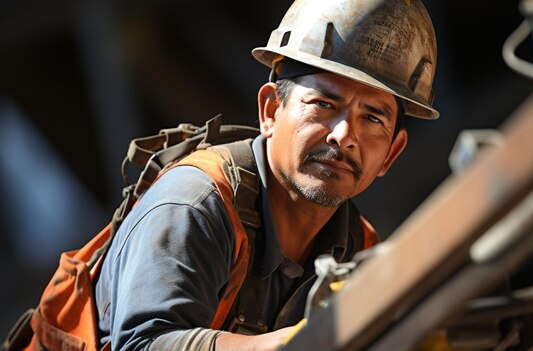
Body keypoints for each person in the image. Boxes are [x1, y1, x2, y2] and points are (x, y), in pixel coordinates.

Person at [93, 0, 439, 350]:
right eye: (324, 104)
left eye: (373, 119)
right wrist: (296, 343)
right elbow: (143, 344)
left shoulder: (357, 248)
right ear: (271, 111)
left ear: (390, 155)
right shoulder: (195, 205)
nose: (344, 136)